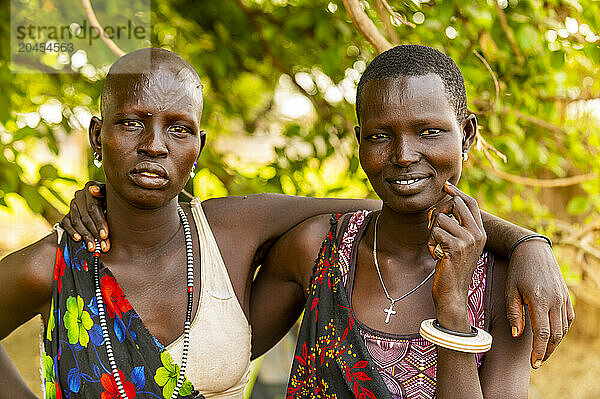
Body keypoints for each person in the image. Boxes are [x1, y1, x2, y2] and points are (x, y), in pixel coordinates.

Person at [3, 48, 569, 398]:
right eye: (130, 124)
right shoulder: (317, 250)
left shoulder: (231, 232)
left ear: (199, 147)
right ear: (99, 135)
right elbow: (387, 204)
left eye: (177, 128)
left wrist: (524, 244)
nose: (153, 146)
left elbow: (394, 202)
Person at [251, 45, 552, 398]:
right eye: (380, 136)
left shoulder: (506, 284)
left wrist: (453, 309)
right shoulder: (317, 250)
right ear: (359, 141)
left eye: (428, 132)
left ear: (467, 135)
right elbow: (215, 360)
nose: (404, 156)